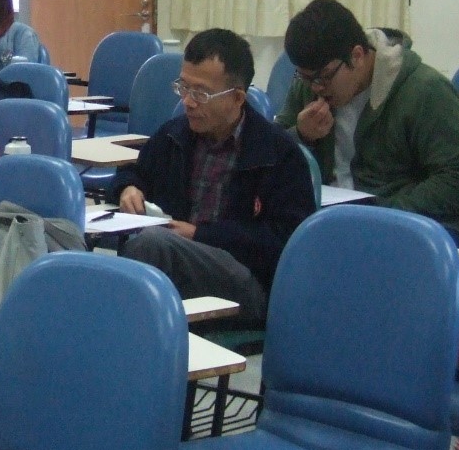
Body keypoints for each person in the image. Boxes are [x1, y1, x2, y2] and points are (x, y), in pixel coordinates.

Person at [110, 28, 316, 325]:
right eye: (183, 88)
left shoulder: (277, 154)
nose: (188, 102)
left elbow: (286, 242)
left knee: (150, 246)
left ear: (237, 98)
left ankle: (126, 344)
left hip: (246, 282)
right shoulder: (175, 135)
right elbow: (134, 171)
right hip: (176, 261)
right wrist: (128, 188)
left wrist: (201, 235)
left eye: (201, 93)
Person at [277, 0, 459, 249]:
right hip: (335, 221)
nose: (316, 87)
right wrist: (301, 135)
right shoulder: (309, 86)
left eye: (324, 77)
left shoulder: (424, 90)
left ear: (357, 56)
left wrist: (382, 212)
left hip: (423, 225)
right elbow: (273, 155)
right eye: (306, 77)